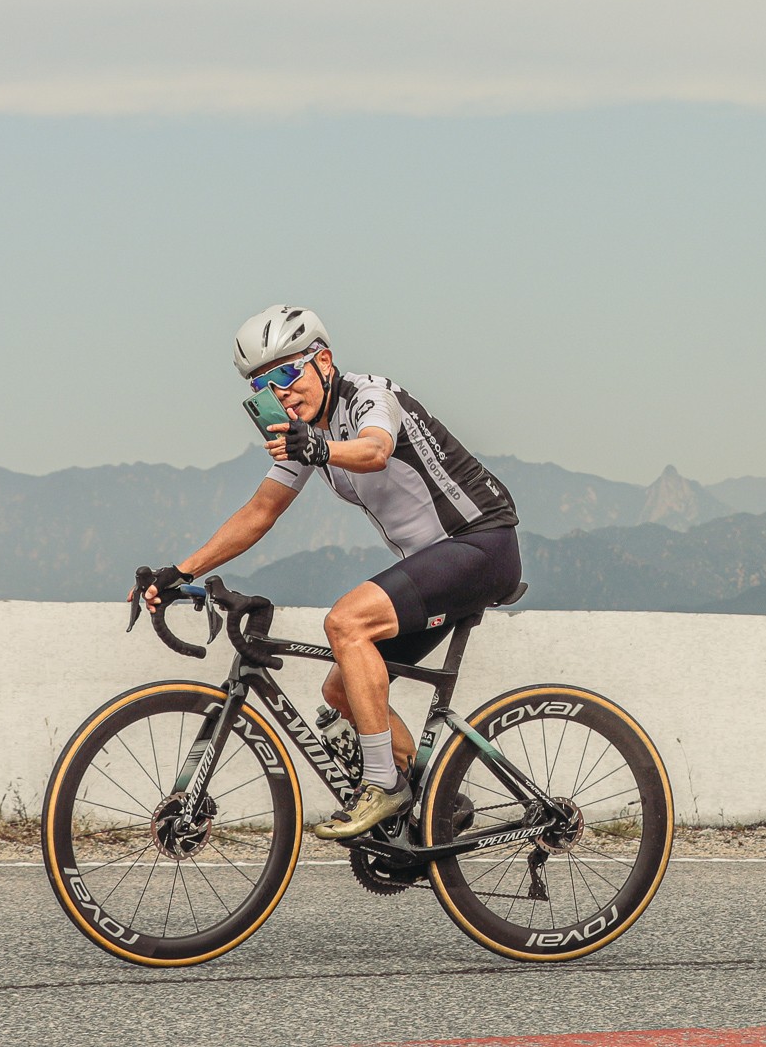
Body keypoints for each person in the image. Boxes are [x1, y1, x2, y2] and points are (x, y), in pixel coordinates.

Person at [138, 305, 521, 840]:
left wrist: (318, 447)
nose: (282, 394)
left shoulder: (370, 395)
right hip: (434, 562)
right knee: (344, 690)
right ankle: (435, 799)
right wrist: (179, 571)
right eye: (264, 387)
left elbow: (375, 450)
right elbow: (259, 512)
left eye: (287, 375)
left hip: (481, 544)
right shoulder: (304, 435)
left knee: (346, 622)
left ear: (324, 361)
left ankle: (384, 785)